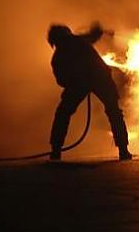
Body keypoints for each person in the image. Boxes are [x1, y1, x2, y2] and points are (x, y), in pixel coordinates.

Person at [47, 22, 132, 161]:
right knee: (113, 111)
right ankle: (123, 150)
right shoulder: (77, 42)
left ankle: (56, 150)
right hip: (99, 78)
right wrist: (97, 29)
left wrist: (74, 82)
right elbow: (94, 35)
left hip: (90, 80)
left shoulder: (58, 57)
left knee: (63, 112)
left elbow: (61, 81)